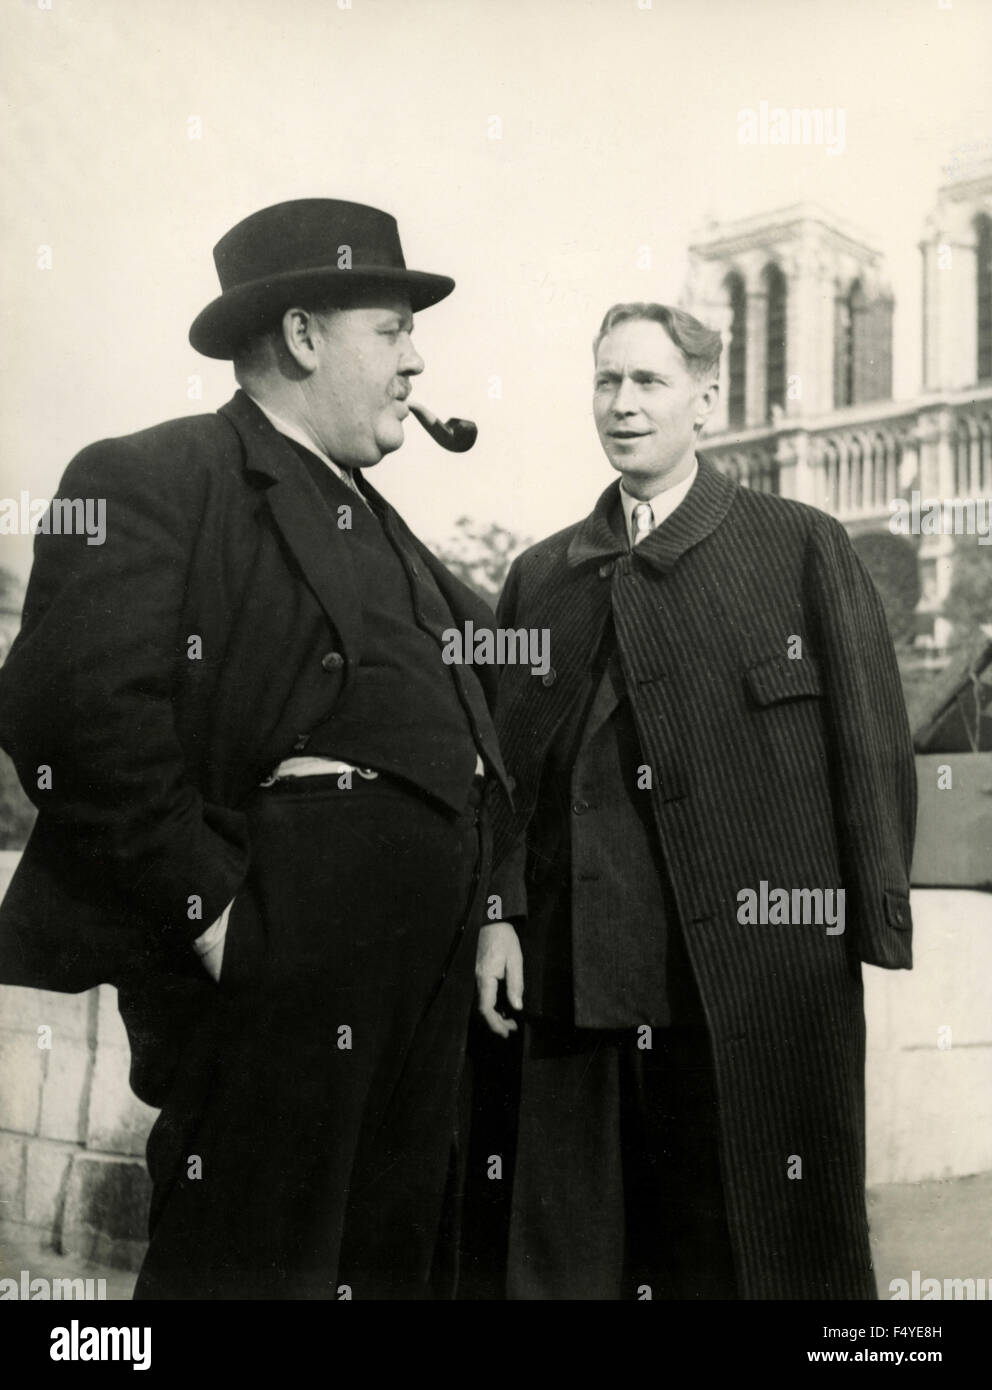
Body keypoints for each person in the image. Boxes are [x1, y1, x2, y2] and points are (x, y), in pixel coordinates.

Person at [0, 198, 511, 1300]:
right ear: (301, 335)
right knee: (252, 1263)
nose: (416, 362)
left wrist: (491, 908)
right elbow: (71, 713)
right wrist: (217, 914)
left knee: (389, 1266)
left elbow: (482, 719)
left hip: (419, 978)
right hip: (277, 962)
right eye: (392, 330)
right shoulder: (150, 473)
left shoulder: (388, 528)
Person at [473, 301, 916, 1300]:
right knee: (570, 1253)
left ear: (704, 401)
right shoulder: (540, 575)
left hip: (750, 975)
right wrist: (499, 913)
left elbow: (870, 746)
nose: (622, 405)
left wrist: (871, 921)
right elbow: (500, 777)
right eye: (606, 382)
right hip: (578, 973)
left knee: (753, 1245)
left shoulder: (799, 546)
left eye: (647, 383)